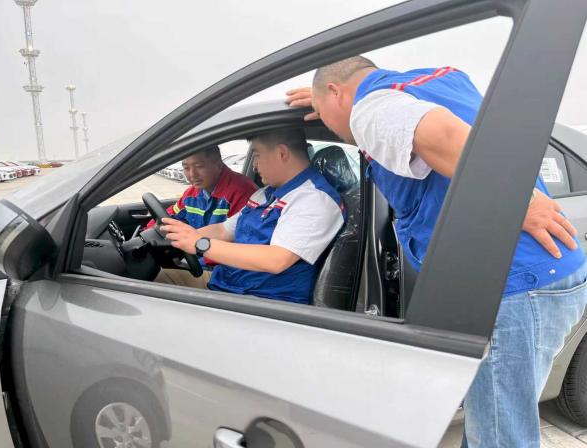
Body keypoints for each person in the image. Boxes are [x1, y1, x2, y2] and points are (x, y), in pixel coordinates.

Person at [286, 56, 587, 447]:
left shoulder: (371, 108)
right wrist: (325, 102)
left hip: (511, 285)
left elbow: (444, 133)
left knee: (500, 439)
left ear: (335, 91)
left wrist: (519, 200)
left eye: (325, 117)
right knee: (490, 424)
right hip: (541, 276)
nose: (331, 128)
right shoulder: (439, 81)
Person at [160, 129, 345, 304]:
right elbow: (223, 230)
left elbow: (276, 260)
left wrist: (200, 244)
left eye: (257, 155)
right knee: (154, 276)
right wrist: (177, 237)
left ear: (282, 153)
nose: (255, 165)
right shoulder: (265, 194)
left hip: (259, 301)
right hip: (226, 284)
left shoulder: (314, 199)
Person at [151, 145, 257, 287]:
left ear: (218, 163)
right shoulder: (192, 193)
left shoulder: (242, 191)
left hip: (222, 271)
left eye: (199, 166)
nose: (192, 174)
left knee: (155, 277)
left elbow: (242, 245)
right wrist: (150, 231)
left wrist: (194, 252)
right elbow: (169, 216)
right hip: (196, 258)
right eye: (186, 168)